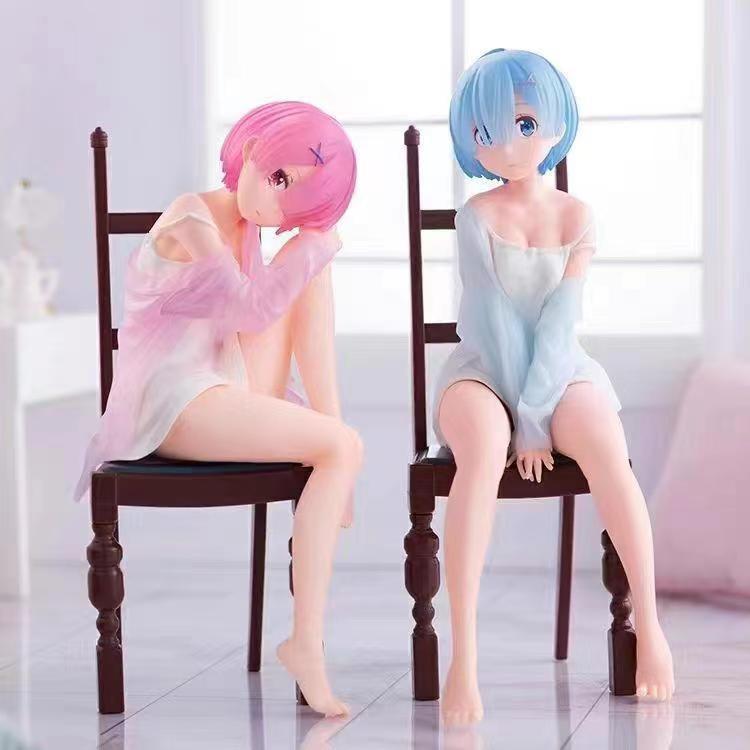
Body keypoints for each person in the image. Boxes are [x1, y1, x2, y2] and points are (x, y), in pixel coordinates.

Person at [74, 101, 360, 717]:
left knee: (317, 285)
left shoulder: (252, 227)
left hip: (226, 380)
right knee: (340, 445)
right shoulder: (191, 216)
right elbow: (250, 312)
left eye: (296, 200)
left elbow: (261, 318)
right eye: (278, 178)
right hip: (172, 400)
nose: (276, 205)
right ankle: (306, 645)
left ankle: (305, 639)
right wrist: (315, 244)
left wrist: (311, 243)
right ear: (250, 149)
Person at [432, 49, 675, 725]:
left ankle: (651, 626)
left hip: (559, 365)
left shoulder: (577, 216)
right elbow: (495, 323)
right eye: (487, 131)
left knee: (605, 442)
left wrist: (538, 416)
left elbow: (559, 323)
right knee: (484, 447)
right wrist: (522, 422)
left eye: (524, 123)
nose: (510, 144)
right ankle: (464, 656)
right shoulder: (476, 216)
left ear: (555, 121)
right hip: (482, 369)